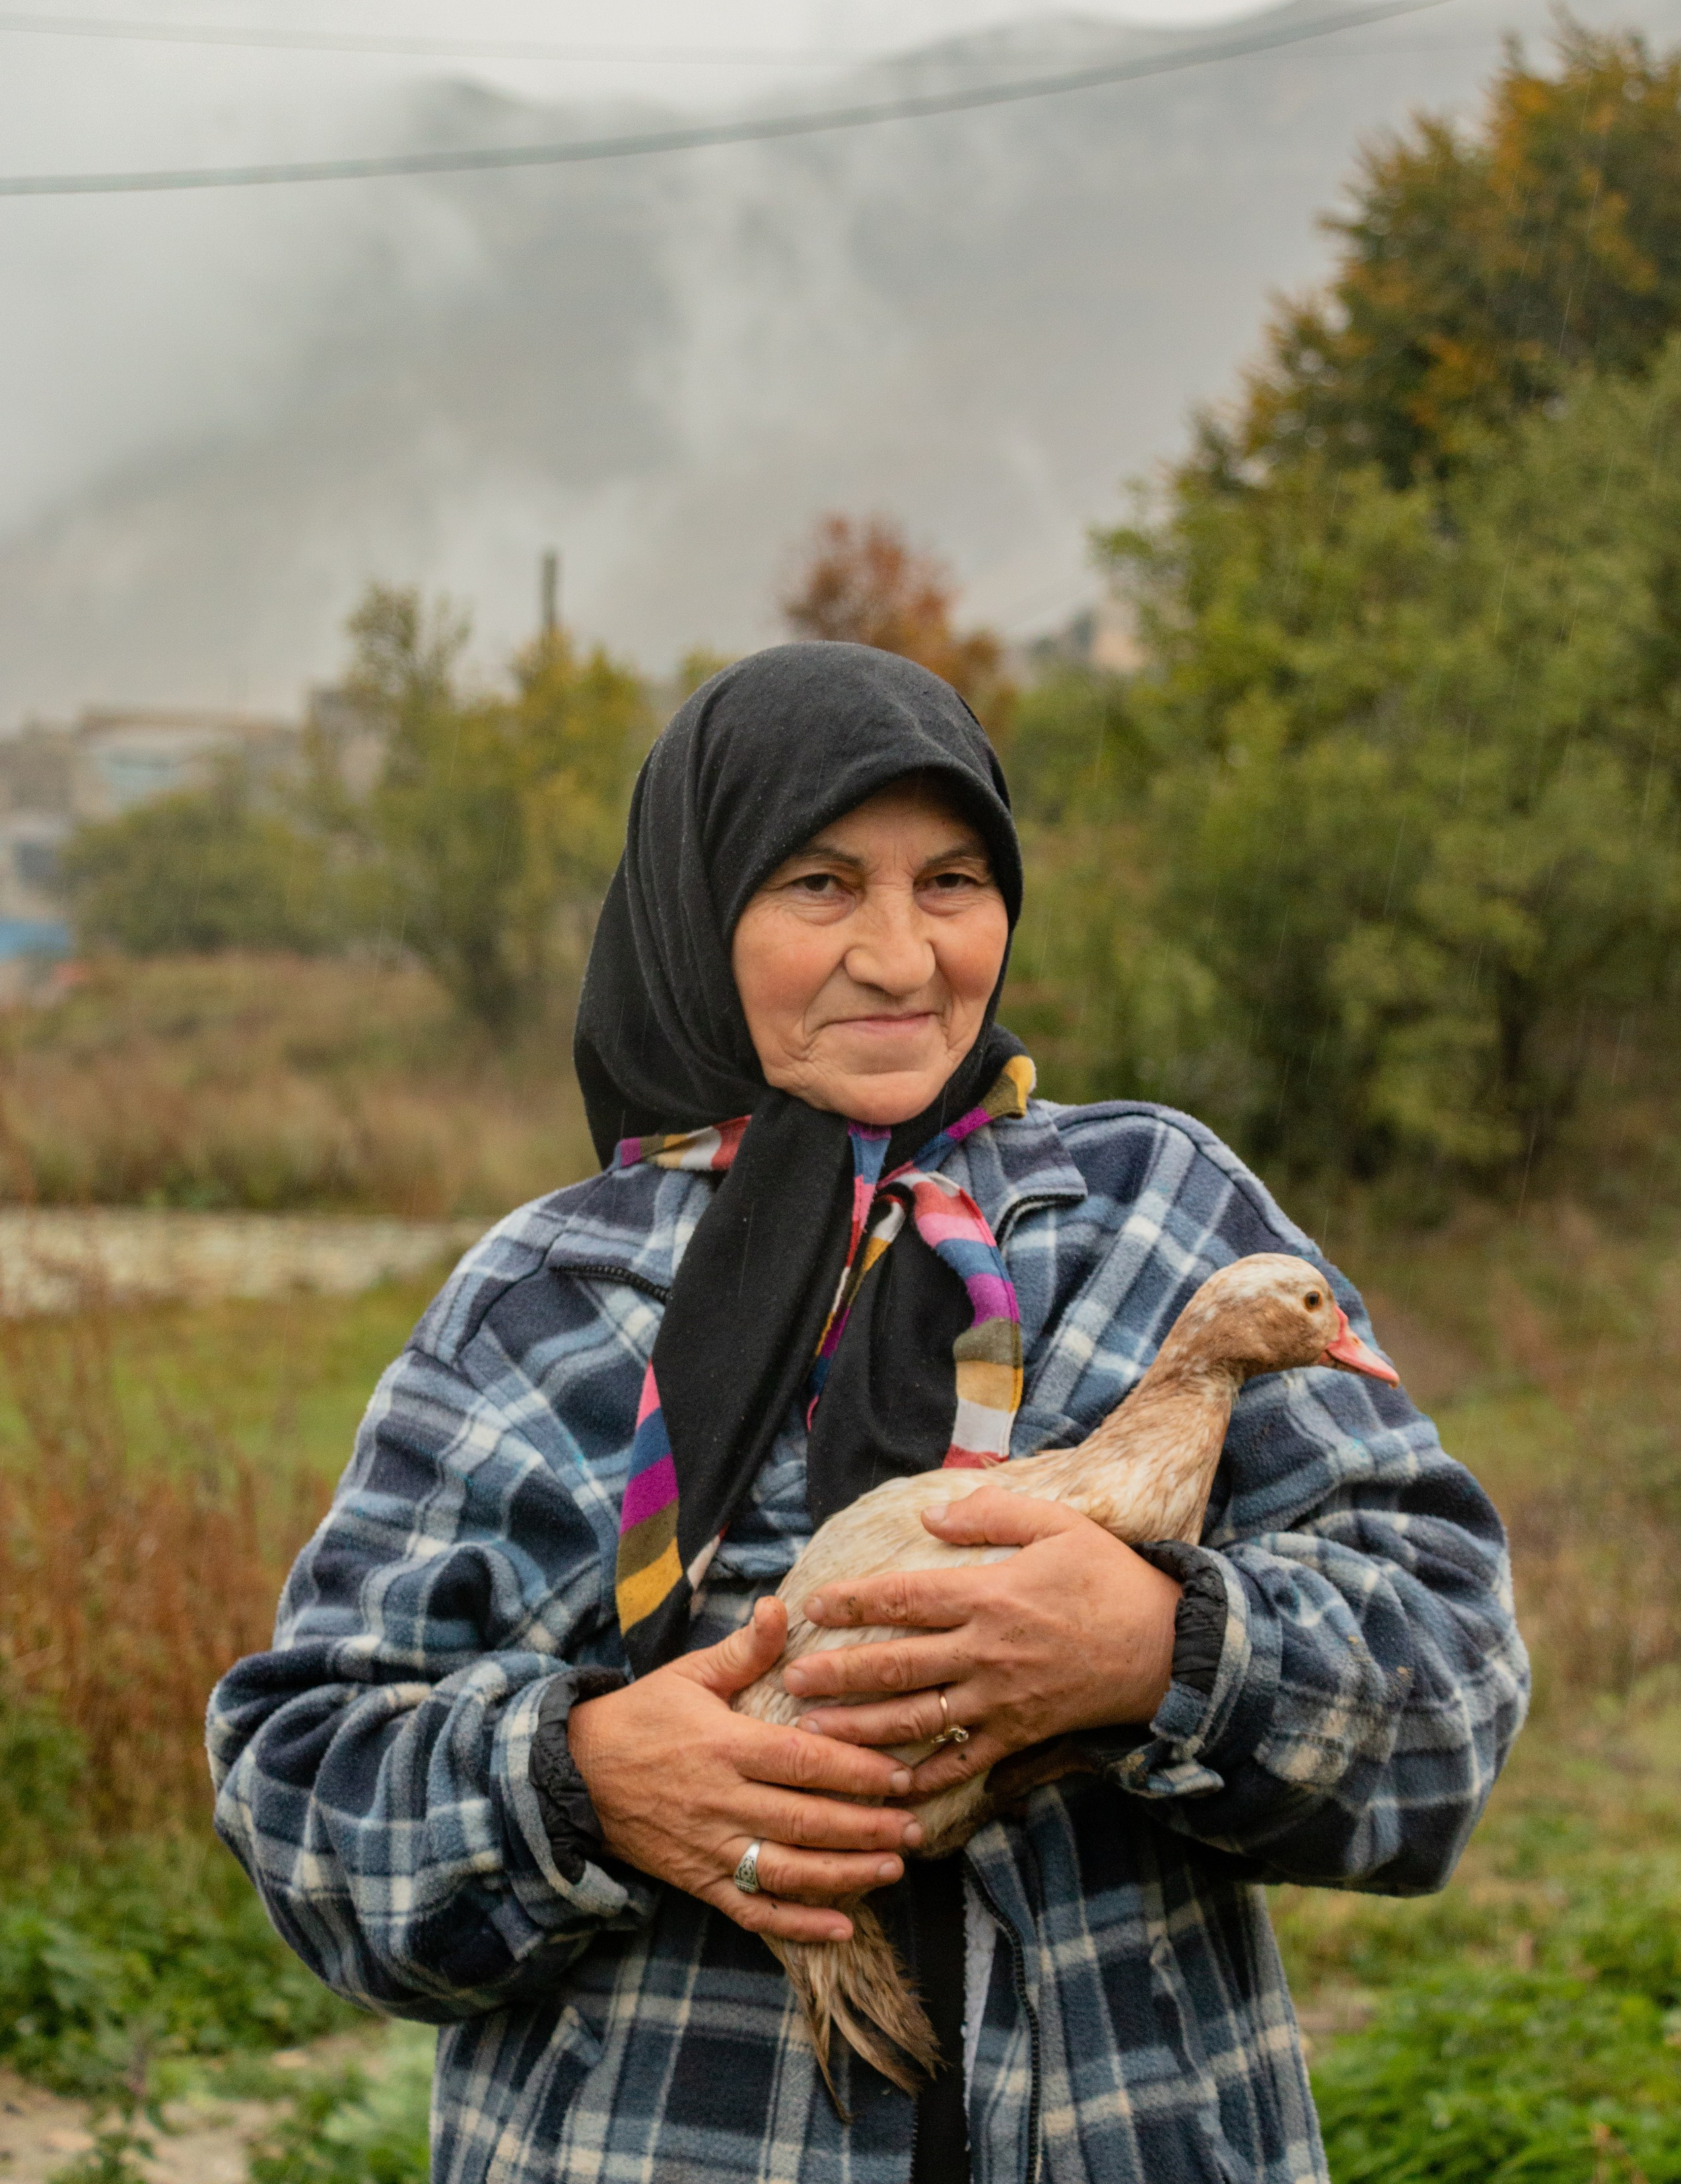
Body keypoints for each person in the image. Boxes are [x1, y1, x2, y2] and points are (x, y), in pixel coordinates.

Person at [208, 642, 1530, 2184]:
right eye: (821, 886)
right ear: (698, 910)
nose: (902, 961)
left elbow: (1451, 1697)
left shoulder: (1153, 1222)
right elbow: (304, 1791)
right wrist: (582, 1785)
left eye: (953, 881)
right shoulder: (545, 1300)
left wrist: (1156, 1653)